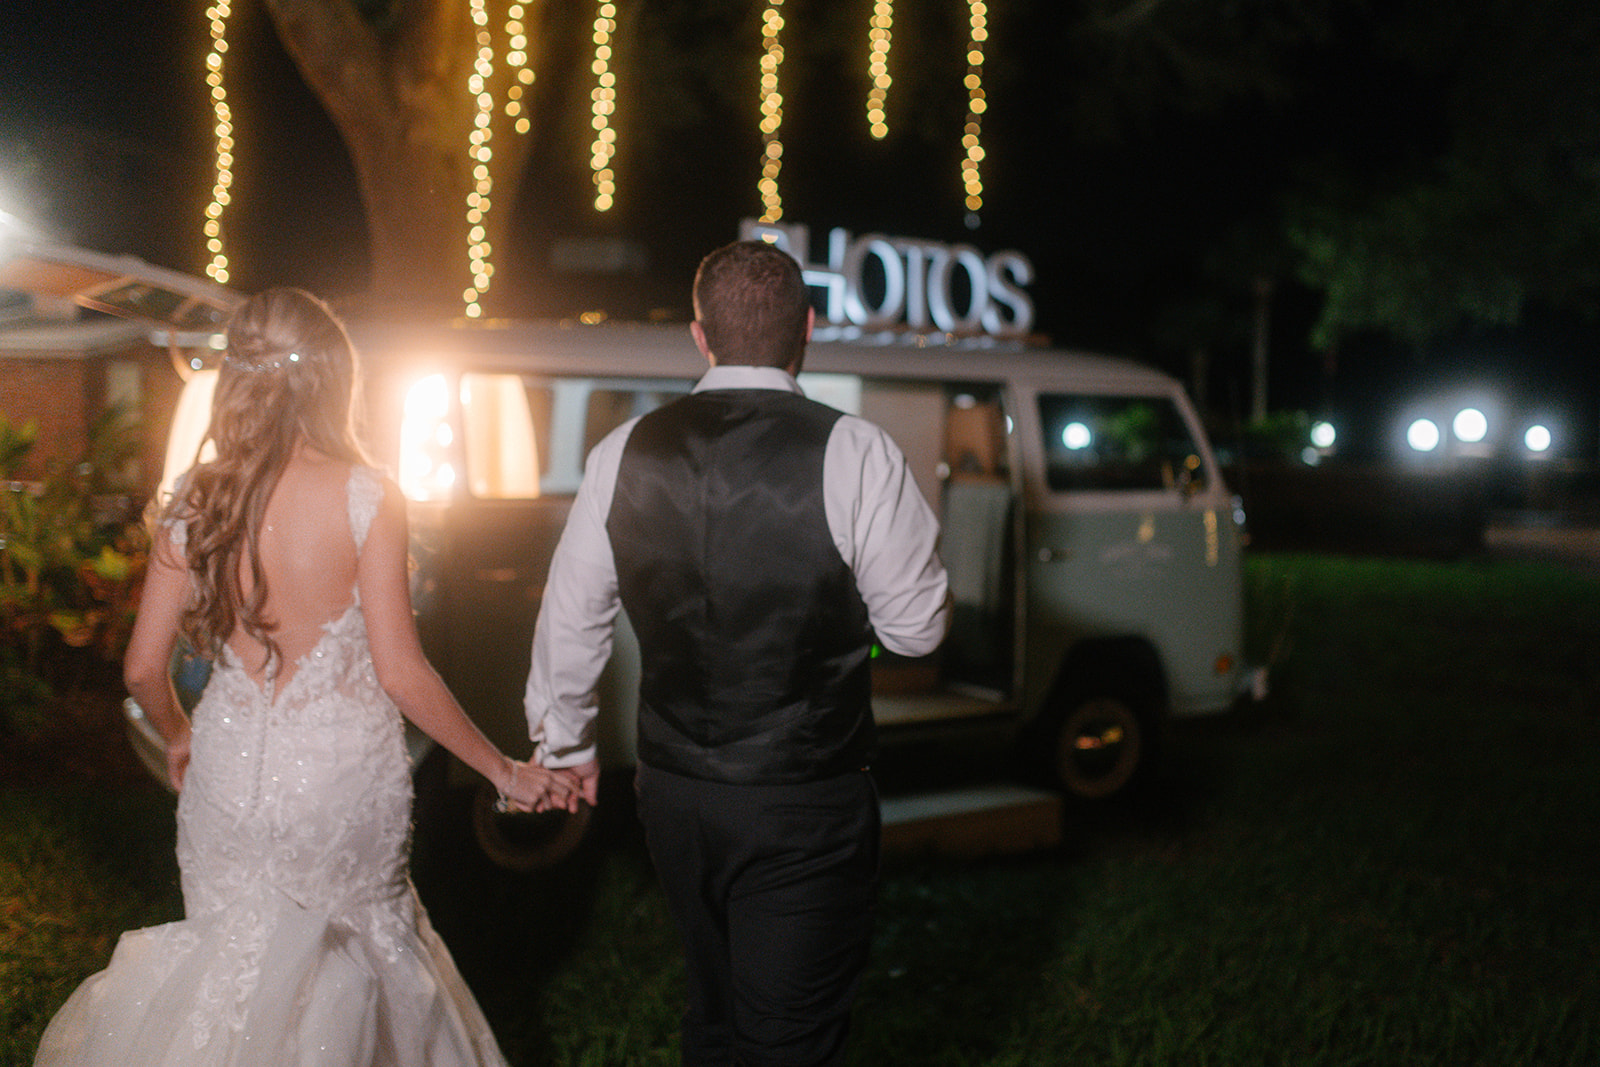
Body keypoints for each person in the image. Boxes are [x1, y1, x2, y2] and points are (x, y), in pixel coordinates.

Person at [35, 287, 573, 1067]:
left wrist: (179, 737)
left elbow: (143, 667)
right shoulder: (368, 494)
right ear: (332, 378)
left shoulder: (195, 500)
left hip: (228, 776)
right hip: (339, 781)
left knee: (230, 971)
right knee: (367, 958)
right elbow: (401, 672)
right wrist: (502, 768)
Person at [524, 240, 950, 1066]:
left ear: (700, 335)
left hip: (675, 791)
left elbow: (571, 615)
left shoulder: (623, 451)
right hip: (806, 794)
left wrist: (566, 744)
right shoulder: (857, 452)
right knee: (789, 1039)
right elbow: (917, 631)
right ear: (808, 328)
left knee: (714, 1011)